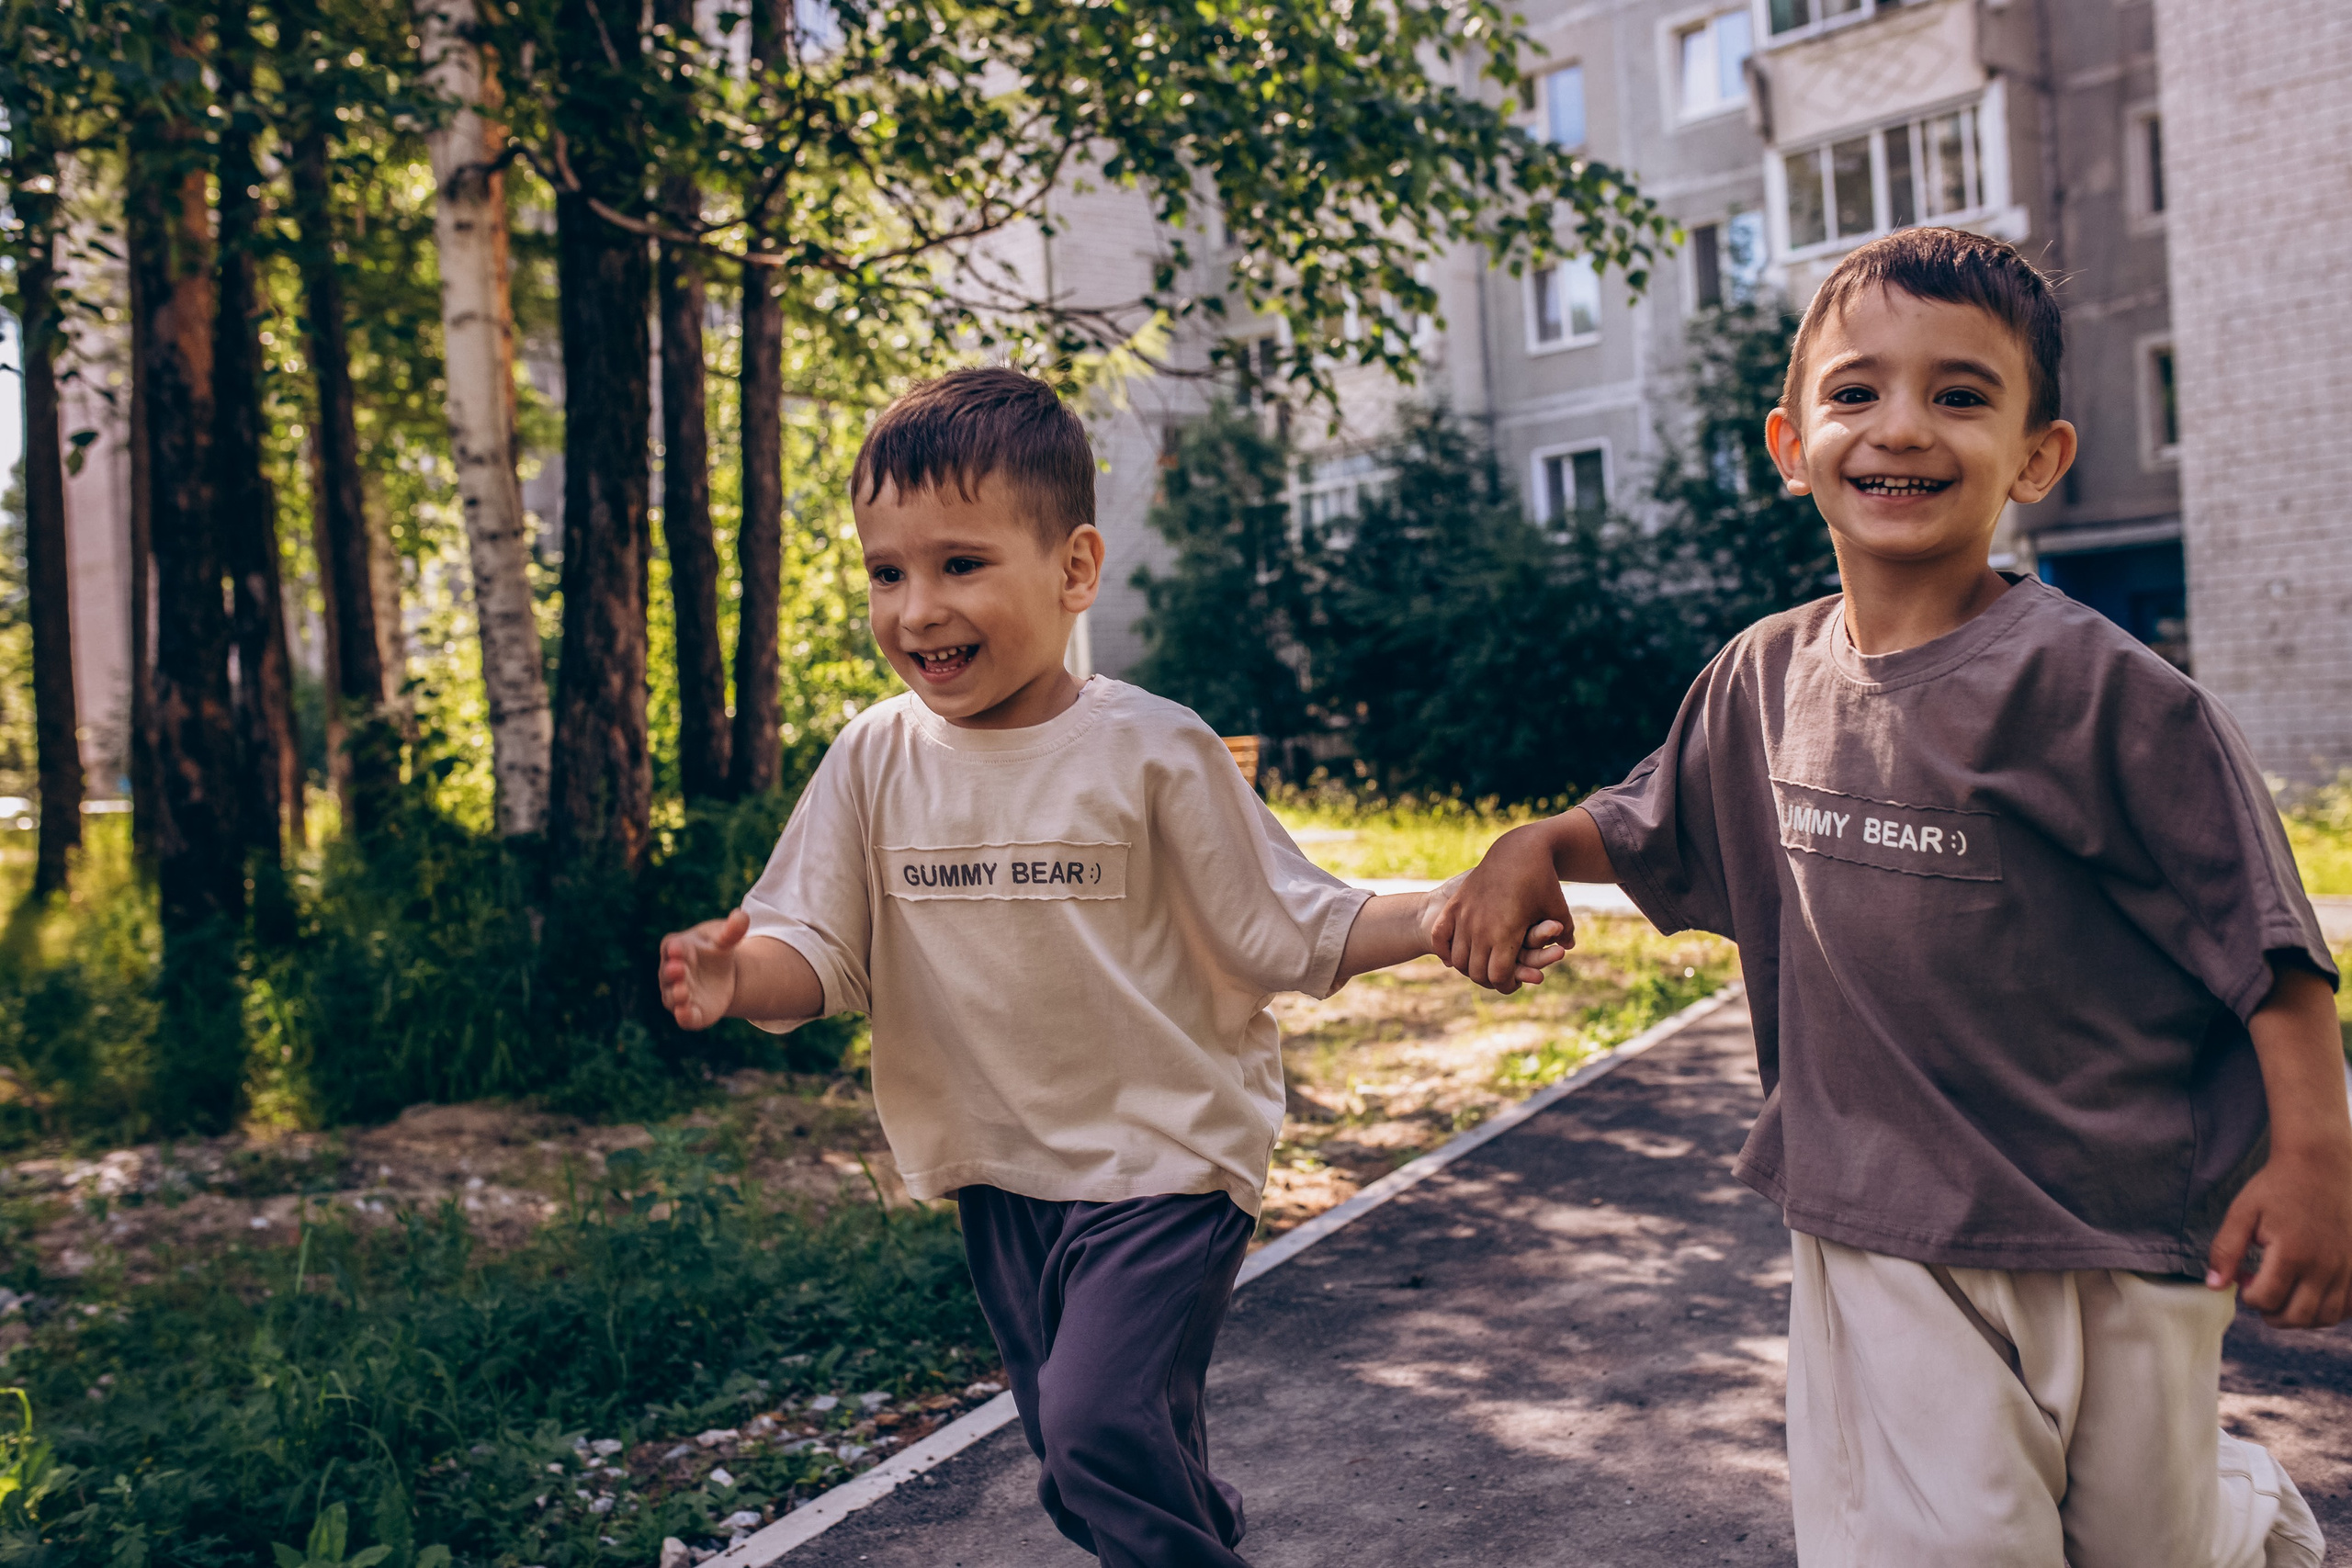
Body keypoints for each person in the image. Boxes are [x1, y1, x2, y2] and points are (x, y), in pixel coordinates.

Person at [1435, 228, 2349, 1567]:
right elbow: (1647, 819)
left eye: (1961, 395)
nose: (1902, 427)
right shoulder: (1761, 678)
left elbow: (2268, 949)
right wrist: (1532, 846)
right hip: (1880, 1213)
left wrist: (2316, 1156)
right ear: (1791, 443)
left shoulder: (2110, 696)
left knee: (2144, 1544)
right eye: (1856, 391)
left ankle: (2242, 1515)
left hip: (2123, 1216)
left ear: (2038, 455)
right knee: (1949, 1550)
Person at [657, 367, 1561, 1567]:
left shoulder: (1149, 749)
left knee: (1094, 1433)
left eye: (960, 564)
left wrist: (1451, 909)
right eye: (886, 573)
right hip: (1001, 1173)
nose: (918, 609)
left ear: (1075, 569)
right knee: (1090, 1461)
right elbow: (818, 951)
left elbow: (1291, 924)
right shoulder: (873, 759)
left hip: (1166, 1162)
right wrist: (738, 981)